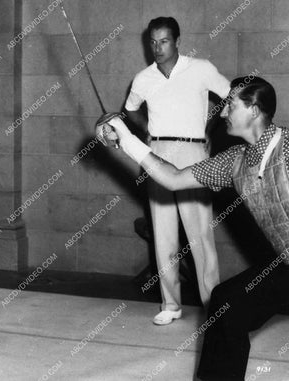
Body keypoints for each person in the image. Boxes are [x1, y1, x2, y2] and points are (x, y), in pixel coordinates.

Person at [99, 76, 288, 380]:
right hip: (285, 265)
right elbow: (173, 178)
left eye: (231, 105)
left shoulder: (288, 147)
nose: (223, 112)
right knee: (228, 303)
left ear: (254, 110)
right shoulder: (233, 163)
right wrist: (125, 139)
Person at [124, 17, 230, 325]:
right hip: (158, 153)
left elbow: (230, 96)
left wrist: (210, 129)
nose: (157, 48)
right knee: (164, 234)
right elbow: (130, 109)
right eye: (153, 42)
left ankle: (214, 306)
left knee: (200, 236)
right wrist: (148, 133)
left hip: (194, 152)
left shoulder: (201, 68)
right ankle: (171, 304)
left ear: (178, 41)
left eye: (164, 41)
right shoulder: (143, 78)